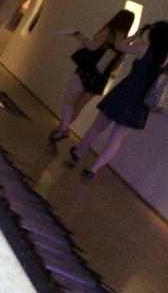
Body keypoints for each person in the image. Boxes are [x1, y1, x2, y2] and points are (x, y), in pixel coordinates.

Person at [69, 20, 168, 178]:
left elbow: (120, 46)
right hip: (139, 104)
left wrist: (136, 33)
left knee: (97, 127)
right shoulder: (166, 59)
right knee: (116, 140)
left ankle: (78, 154)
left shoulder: (144, 48)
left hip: (122, 94)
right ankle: (92, 171)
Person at [48, 9, 135, 141]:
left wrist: (79, 35)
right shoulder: (124, 41)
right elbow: (117, 65)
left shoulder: (109, 31)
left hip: (87, 70)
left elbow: (92, 47)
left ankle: (64, 130)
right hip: (101, 77)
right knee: (79, 106)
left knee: (69, 100)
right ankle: (60, 129)